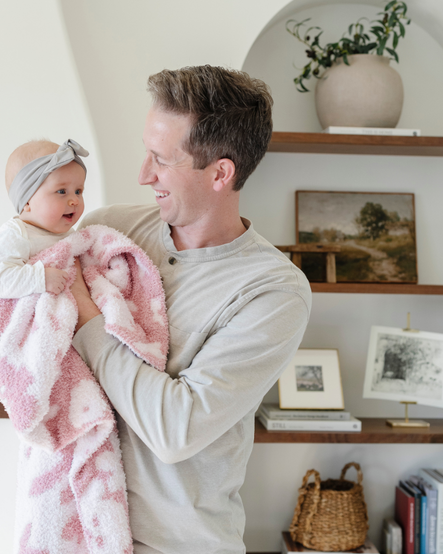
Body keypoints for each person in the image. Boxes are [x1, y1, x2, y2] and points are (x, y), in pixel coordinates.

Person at [69, 65, 312, 554]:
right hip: (78, 527)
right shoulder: (108, 233)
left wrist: (87, 319)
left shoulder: (272, 291)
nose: (143, 175)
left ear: (221, 172)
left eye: (161, 159)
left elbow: (175, 430)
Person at [0, 138, 87, 298]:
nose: (74, 200)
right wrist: (41, 279)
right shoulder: (16, 234)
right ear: (27, 201)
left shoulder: (70, 235)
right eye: (62, 191)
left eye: (78, 191)